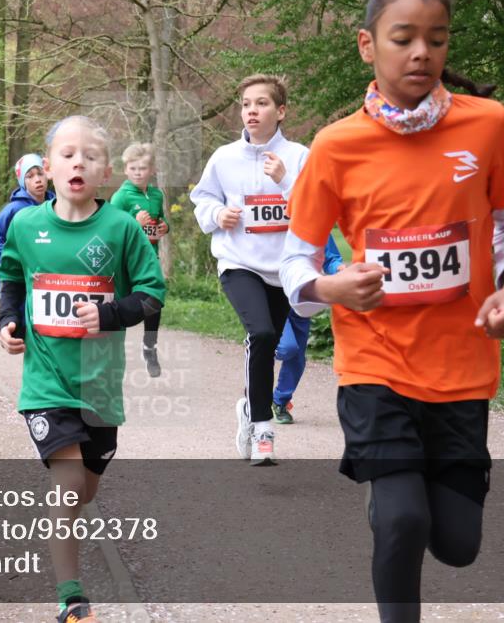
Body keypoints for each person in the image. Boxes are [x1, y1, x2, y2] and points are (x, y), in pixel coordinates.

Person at [278, 0, 504, 622]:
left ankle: (403, 497)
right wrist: (331, 286)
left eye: (437, 38)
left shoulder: (488, 126)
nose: (421, 51)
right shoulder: (337, 146)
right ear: (369, 46)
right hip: (376, 364)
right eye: (404, 38)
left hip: (461, 368)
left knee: (457, 542)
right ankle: (393, 502)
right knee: (401, 520)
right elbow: (296, 261)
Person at [0, 116, 165, 623]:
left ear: (106, 172)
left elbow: (152, 293)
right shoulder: (26, 226)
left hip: (100, 388)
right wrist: (8, 321)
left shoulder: (120, 228)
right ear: (47, 168)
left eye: (90, 156)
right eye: (67, 154)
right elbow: (10, 277)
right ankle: (72, 598)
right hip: (46, 384)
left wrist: (110, 313)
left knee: (85, 490)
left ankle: (63, 522)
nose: (78, 162)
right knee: (68, 487)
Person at [189, 73, 309, 465]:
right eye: (245, 104)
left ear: (281, 110)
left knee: (270, 341)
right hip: (238, 262)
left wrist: (286, 182)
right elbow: (201, 198)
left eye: (261, 103)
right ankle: (261, 428)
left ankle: (248, 407)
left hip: (282, 268)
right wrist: (217, 213)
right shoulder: (224, 158)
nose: (251, 111)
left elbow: (316, 213)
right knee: (261, 332)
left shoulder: (299, 157)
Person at [110, 142, 169, 377]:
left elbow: (160, 221)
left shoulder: (155, 195)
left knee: (154, 299)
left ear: (152, 170)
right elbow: (111, 229)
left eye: (142, 168)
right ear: (126, 170)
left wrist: (165, 227)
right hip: (124, 262)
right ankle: (114, 353)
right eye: (133, 168)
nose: (137, 172)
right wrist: (135, 224)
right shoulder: (120, 197)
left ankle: (149, 347)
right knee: (121, 306)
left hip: (149, 258)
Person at [270, 236, 343, 424]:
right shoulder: (272, 214)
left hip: (301, 296)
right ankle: (257, 371)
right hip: (272, 294)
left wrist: (339, 269)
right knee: (287, 348)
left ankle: (280, 401)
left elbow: (331, 258)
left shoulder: (313, 219)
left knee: (297, 358)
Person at [0, 152, 54, 270]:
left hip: (46, 277)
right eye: (30, 176)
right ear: (22, 182)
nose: (37, 179)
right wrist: (6, 265)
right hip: (17, 278)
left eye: (40, 174)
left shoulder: (56, 206)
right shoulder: (14, 209)